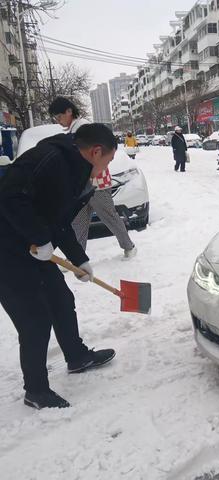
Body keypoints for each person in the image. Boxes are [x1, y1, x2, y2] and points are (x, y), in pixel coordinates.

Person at [0, 124, 117, 409]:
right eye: (108, 161)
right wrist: (39, 238)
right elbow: (8, 196)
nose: (106, 168)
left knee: (61, 300)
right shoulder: (50, 159)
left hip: (33, 247)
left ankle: (76, 356)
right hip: (6, 251)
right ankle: (36, 391)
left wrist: (79, 259)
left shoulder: (77, 171)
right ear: (96, 151)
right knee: (35, 319)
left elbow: (59, 220)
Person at [49, 97, 136, 259]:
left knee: (109, 217)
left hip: (97, 183)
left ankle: (128, 246)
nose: (59, 121)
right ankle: (76, 256)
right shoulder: (74, 129)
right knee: (78, 222)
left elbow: (92, 156)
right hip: (83, 184)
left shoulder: (83, 128)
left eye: (59, 117)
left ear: (69, 111)